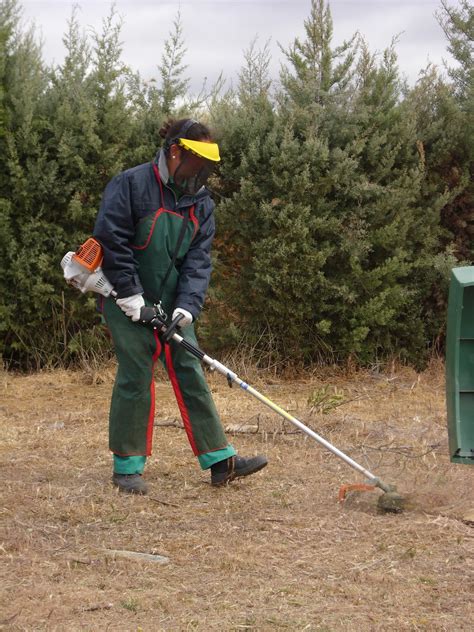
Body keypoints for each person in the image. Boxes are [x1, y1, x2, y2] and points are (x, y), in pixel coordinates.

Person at [93, 118, 268, 494]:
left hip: (171, 300)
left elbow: (198, 261)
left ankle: (221, 461)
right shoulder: (132, 184)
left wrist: (187, 306)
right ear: (176, 152)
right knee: (136, 372)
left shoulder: (201, 202)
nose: (202, 175)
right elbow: (112, 239)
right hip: (124, 295)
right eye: (197, 166)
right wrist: (130, 295)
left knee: (190, 366)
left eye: (207, 169)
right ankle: (127, 467)